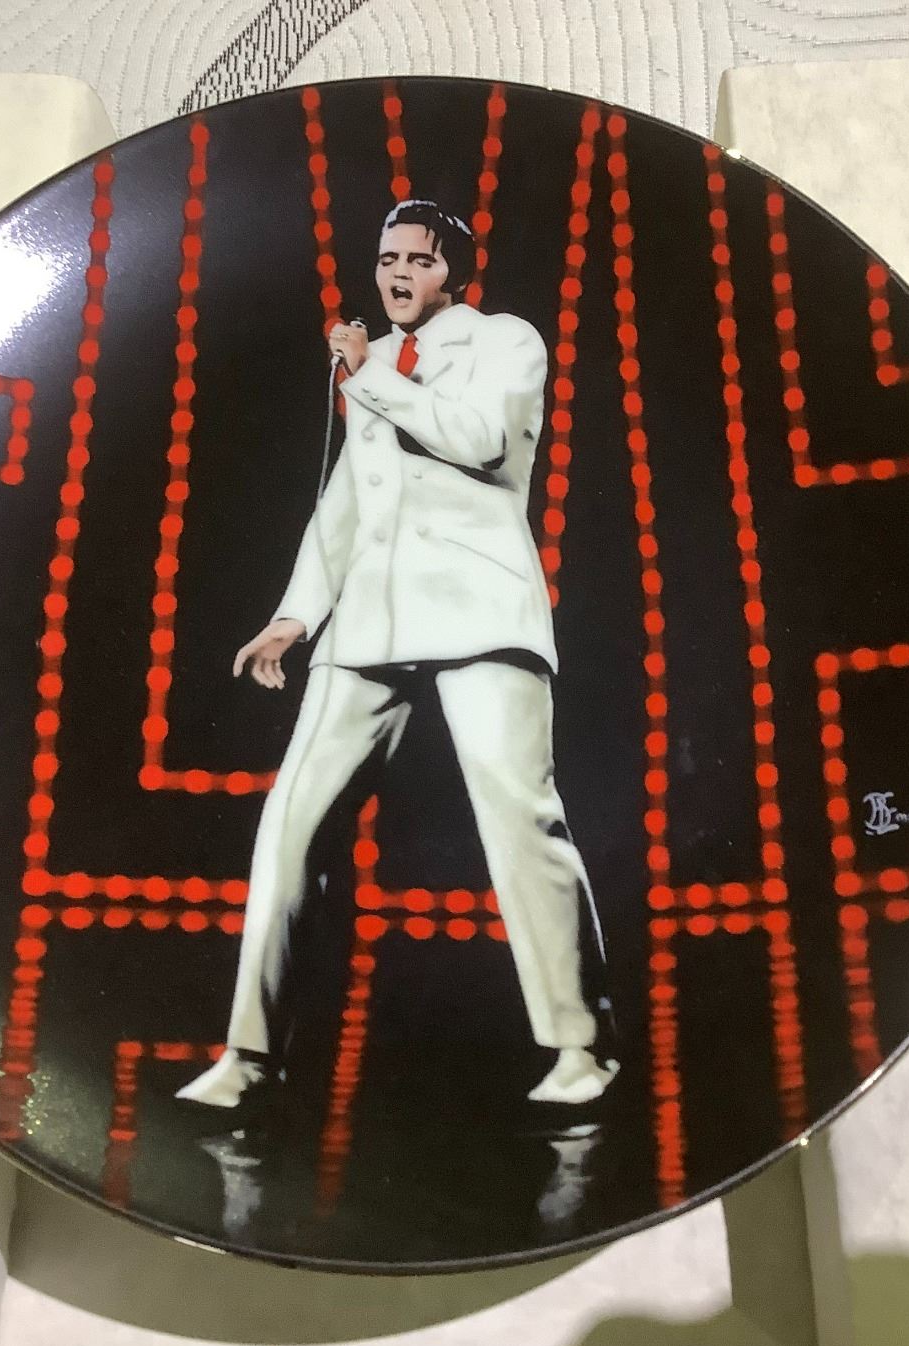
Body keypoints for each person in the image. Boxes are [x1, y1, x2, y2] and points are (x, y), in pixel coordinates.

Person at [178, 200, 617, 1111]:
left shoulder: (503, 341)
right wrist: (295, 616)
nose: (399, 275)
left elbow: (481, 442)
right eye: (388, 260)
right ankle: (250, 1057)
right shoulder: (373, 363)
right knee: (292, 826)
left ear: (454, 271)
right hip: (369, 623)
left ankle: (584, 1047)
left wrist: (370, 373)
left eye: (419, 260)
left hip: (480, 610)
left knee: (520, 818)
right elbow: (349, 498)